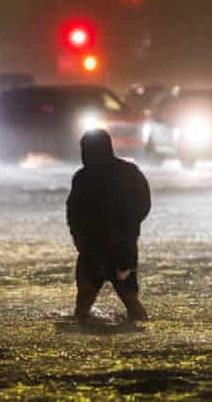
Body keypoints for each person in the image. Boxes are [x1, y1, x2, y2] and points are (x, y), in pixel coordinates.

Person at [67, 129, 151, 322]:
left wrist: (78, 235)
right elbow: (143, 204)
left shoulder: (82, 177)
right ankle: (140, 333)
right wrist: (130, 229)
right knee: (130, 300)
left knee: (83, 305)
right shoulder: (129, 172)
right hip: (119, 248)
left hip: (96, 249)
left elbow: (73, 210)